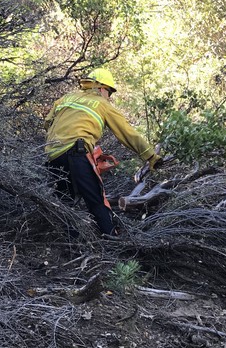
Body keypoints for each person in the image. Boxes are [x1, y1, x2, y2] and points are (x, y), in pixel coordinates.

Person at [45, 67, 161, 236]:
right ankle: (113, 241)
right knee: (96, 201)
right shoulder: (102, 104)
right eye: (109, 92)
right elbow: (127, 133)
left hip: (52, 155)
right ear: (101, 88)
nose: (109, 96)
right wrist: (150, 156)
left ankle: (67, 243)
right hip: (75, 153)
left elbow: (48, 122)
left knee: (64, 201)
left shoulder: (66, 98)